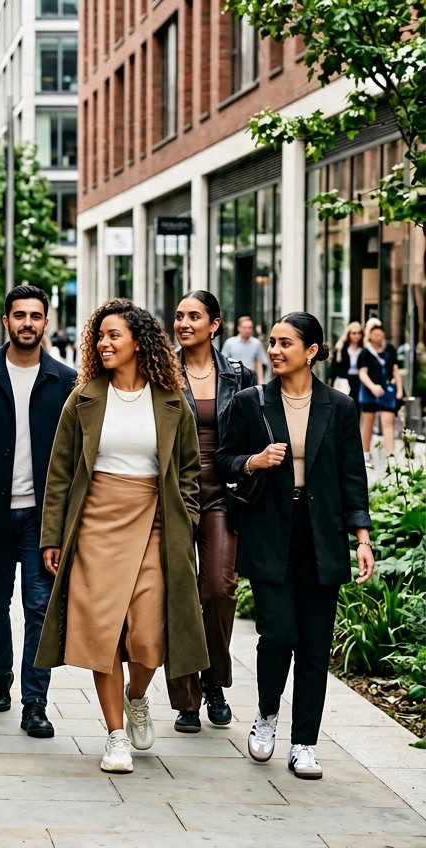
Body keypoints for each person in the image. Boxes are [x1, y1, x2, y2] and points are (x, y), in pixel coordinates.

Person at [37, 299, 206, 775]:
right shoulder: (84, 398)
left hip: (155, 521)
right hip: (94, 523)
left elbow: (189, 471)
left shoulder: (171, 400)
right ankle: (114, 735)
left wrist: (187, 519)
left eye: (114, 335)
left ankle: (137, 696)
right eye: (100, 336)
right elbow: (59, 473)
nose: (103, 344)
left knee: (149, 634)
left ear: (139, 342)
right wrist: (53, 536)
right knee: (102, 632)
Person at [216, 311, 374, 780]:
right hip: (270, 530)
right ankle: (266, 715)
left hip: (322, 534)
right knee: (279, 634)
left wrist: (362, 537)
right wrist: (255, 461)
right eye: (272, 341)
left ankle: (304, 742)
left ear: (312, 351)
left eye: (286, 343)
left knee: (315, 644)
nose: (275, 350)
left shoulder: (339, 406)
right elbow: (224, 460)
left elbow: (352, 475)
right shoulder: (252, 402)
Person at [0, 285, 76, 738]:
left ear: (46, 322)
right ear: (6, 321)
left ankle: (35, 701)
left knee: (39, 606)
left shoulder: (66, 380)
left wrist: (63, 522)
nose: (27, 323)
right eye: (19, 315)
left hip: (40, 515)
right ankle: (0, 672)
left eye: (35, 315)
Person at [166, 290, 253, 733]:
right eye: (179, 315)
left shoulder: (239, 375)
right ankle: (186, 700)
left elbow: (253, 434)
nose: (184, 323)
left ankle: (214, 681)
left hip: (222, 494)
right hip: (174, 495)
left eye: (194, 316)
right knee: (180, 595)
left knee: (219, 588)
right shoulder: (161, 370)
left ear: (215, 324)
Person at [356, 317, 402, 460]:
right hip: (369, 391)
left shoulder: (390, 349)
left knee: (388, 422)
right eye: (374, 333)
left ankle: (390, 455)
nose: (378, 335)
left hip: (386, 391)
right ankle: (365, 454)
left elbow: (395, 370)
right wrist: (372, 387)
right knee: (367, 423)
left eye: (380, 332)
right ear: (369, 334)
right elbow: (362, 373)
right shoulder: (365, 352)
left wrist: (399, 390)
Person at [221, 316, 269, 384]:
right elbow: (223, 362)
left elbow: (259, 363)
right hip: (234, 378)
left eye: (250, 328)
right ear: (239, 328)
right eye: (245, 327)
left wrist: (261, 380)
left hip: (251, 378)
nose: (247, 330)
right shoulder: (229, 343)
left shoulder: (257, 343)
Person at [330, 321, 364, 402]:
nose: (357, 335)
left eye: (359, 333)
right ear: (349, 334)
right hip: (343, 379)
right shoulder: (341, 348)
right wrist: (332, 383)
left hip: (359, 380)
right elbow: (334, 367)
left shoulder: (363, 349)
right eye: (354, 333)